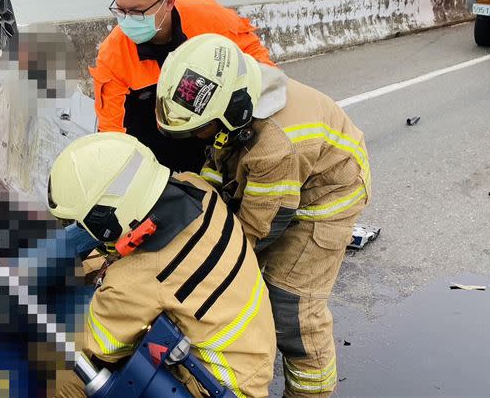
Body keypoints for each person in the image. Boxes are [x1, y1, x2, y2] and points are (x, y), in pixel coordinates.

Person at [155, 34, 371, 398]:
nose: (197, 137)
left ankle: (310, 391)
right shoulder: (235, 96)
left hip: (326, 199)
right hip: (289, 181)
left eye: (200, 129)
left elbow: (257, 229)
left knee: (292, 307)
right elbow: (218, 167)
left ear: (234, 111)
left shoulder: (275, 146)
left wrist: (200, 260)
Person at [48, 132, 276, 398]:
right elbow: (146, 265)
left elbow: (97, 347)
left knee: (60, 372)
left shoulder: (134, 281)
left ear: (107, 222)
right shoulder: (196, 187)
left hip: (218, 387)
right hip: (251, 352)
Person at [91, 0, 275, 173]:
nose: (127, 20)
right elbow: (112, 131)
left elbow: (262, 71)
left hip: (217, 147)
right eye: (120, 10)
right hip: (155, 162)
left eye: (137, 12)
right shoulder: (114, 54)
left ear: (168, 2)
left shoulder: (211, 19)